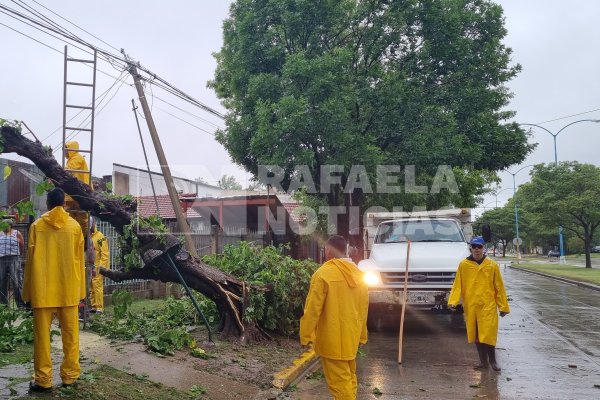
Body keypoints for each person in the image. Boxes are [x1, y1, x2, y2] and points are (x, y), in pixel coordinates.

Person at [23, 188, 86, 392]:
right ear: (64, 204)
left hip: (43, 291)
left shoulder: (37, 226)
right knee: (71, 336)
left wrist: (27, 294)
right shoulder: (75, 227)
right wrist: (81, 292)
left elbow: (30, 262)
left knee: (42, 339)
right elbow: (80, 261)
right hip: (69, 290)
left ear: (48, 204)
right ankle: (70, 377)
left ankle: (43, 381)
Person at [300, 235, 369, 399]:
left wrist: (306, 336)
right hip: (351, 339)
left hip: (331, 341)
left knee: (340, 385)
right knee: (349, 378)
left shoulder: (323, 273)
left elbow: (312, 309)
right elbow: (363, 308)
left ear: (328, 250)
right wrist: (362, 335)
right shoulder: (359, 275)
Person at [448, 236, 510, 371]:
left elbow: (498, 287)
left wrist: (503, 306)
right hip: (472, 306)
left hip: (488, 306)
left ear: (484, 248)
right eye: (474, 247)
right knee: (476, 335)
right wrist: (453, 301)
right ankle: (483, 362)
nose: (476, 249)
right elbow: (457, 284)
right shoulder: (464, 265)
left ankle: (493, 361)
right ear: (470, 248)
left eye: (479, 247)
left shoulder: (492, 265)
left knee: (488, 334)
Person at [64, 140, 91, 236]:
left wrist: (56, 173)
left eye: (66, 148)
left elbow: (69, 169)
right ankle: (73, 236)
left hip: (80, 193)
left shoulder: (78, 157)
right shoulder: (71, 159)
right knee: (68, 217)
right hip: (71, 194)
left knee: (82, 219)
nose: (64, 151)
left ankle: (83, 238)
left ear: (71, 149)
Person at [0, 219, 25, 307]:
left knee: (16, 281)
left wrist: (18, 256)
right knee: (2, 281)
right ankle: (4, 304)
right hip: (1, 259)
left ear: (10, 226)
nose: (3, 227)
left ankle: (20, 304)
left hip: (14, 259)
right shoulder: (0, 233)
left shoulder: (16, 233)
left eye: (5, 225)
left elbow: (22, 245)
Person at [90, 223, 109, 313]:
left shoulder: (100, 236)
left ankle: (99, 307)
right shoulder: (87, 236)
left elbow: (105, 253)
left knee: (97, 286)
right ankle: (94, 306)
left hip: (97, 266)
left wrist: (101, 267)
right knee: (91, 286)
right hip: (89, 265)